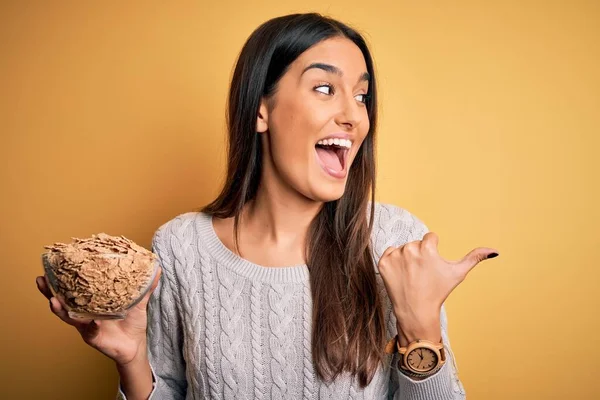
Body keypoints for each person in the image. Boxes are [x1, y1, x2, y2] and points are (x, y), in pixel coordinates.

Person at [36, 12, 499, 400]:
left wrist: (421, 332)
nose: (354, 115)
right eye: (324, 89)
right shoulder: (180, 246)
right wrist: (133, 360)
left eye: (362, 96)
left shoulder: (395, 241)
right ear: (261, 110)